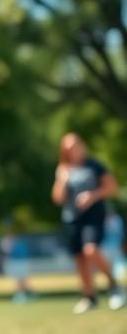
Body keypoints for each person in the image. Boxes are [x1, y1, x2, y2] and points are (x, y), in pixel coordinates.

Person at [51, 132, 124, 314]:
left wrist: (93, 195)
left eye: (75, 145)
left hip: (94, 216)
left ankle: (114, 286)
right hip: (72, 218)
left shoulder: (94, 165)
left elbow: (113, 187)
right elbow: (58, 199)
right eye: (68, 148)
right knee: (80, 259)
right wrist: (62, 179)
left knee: (90, 250)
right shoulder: (63, 169)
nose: (73, 150)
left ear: (82, 145)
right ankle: (89, 297)